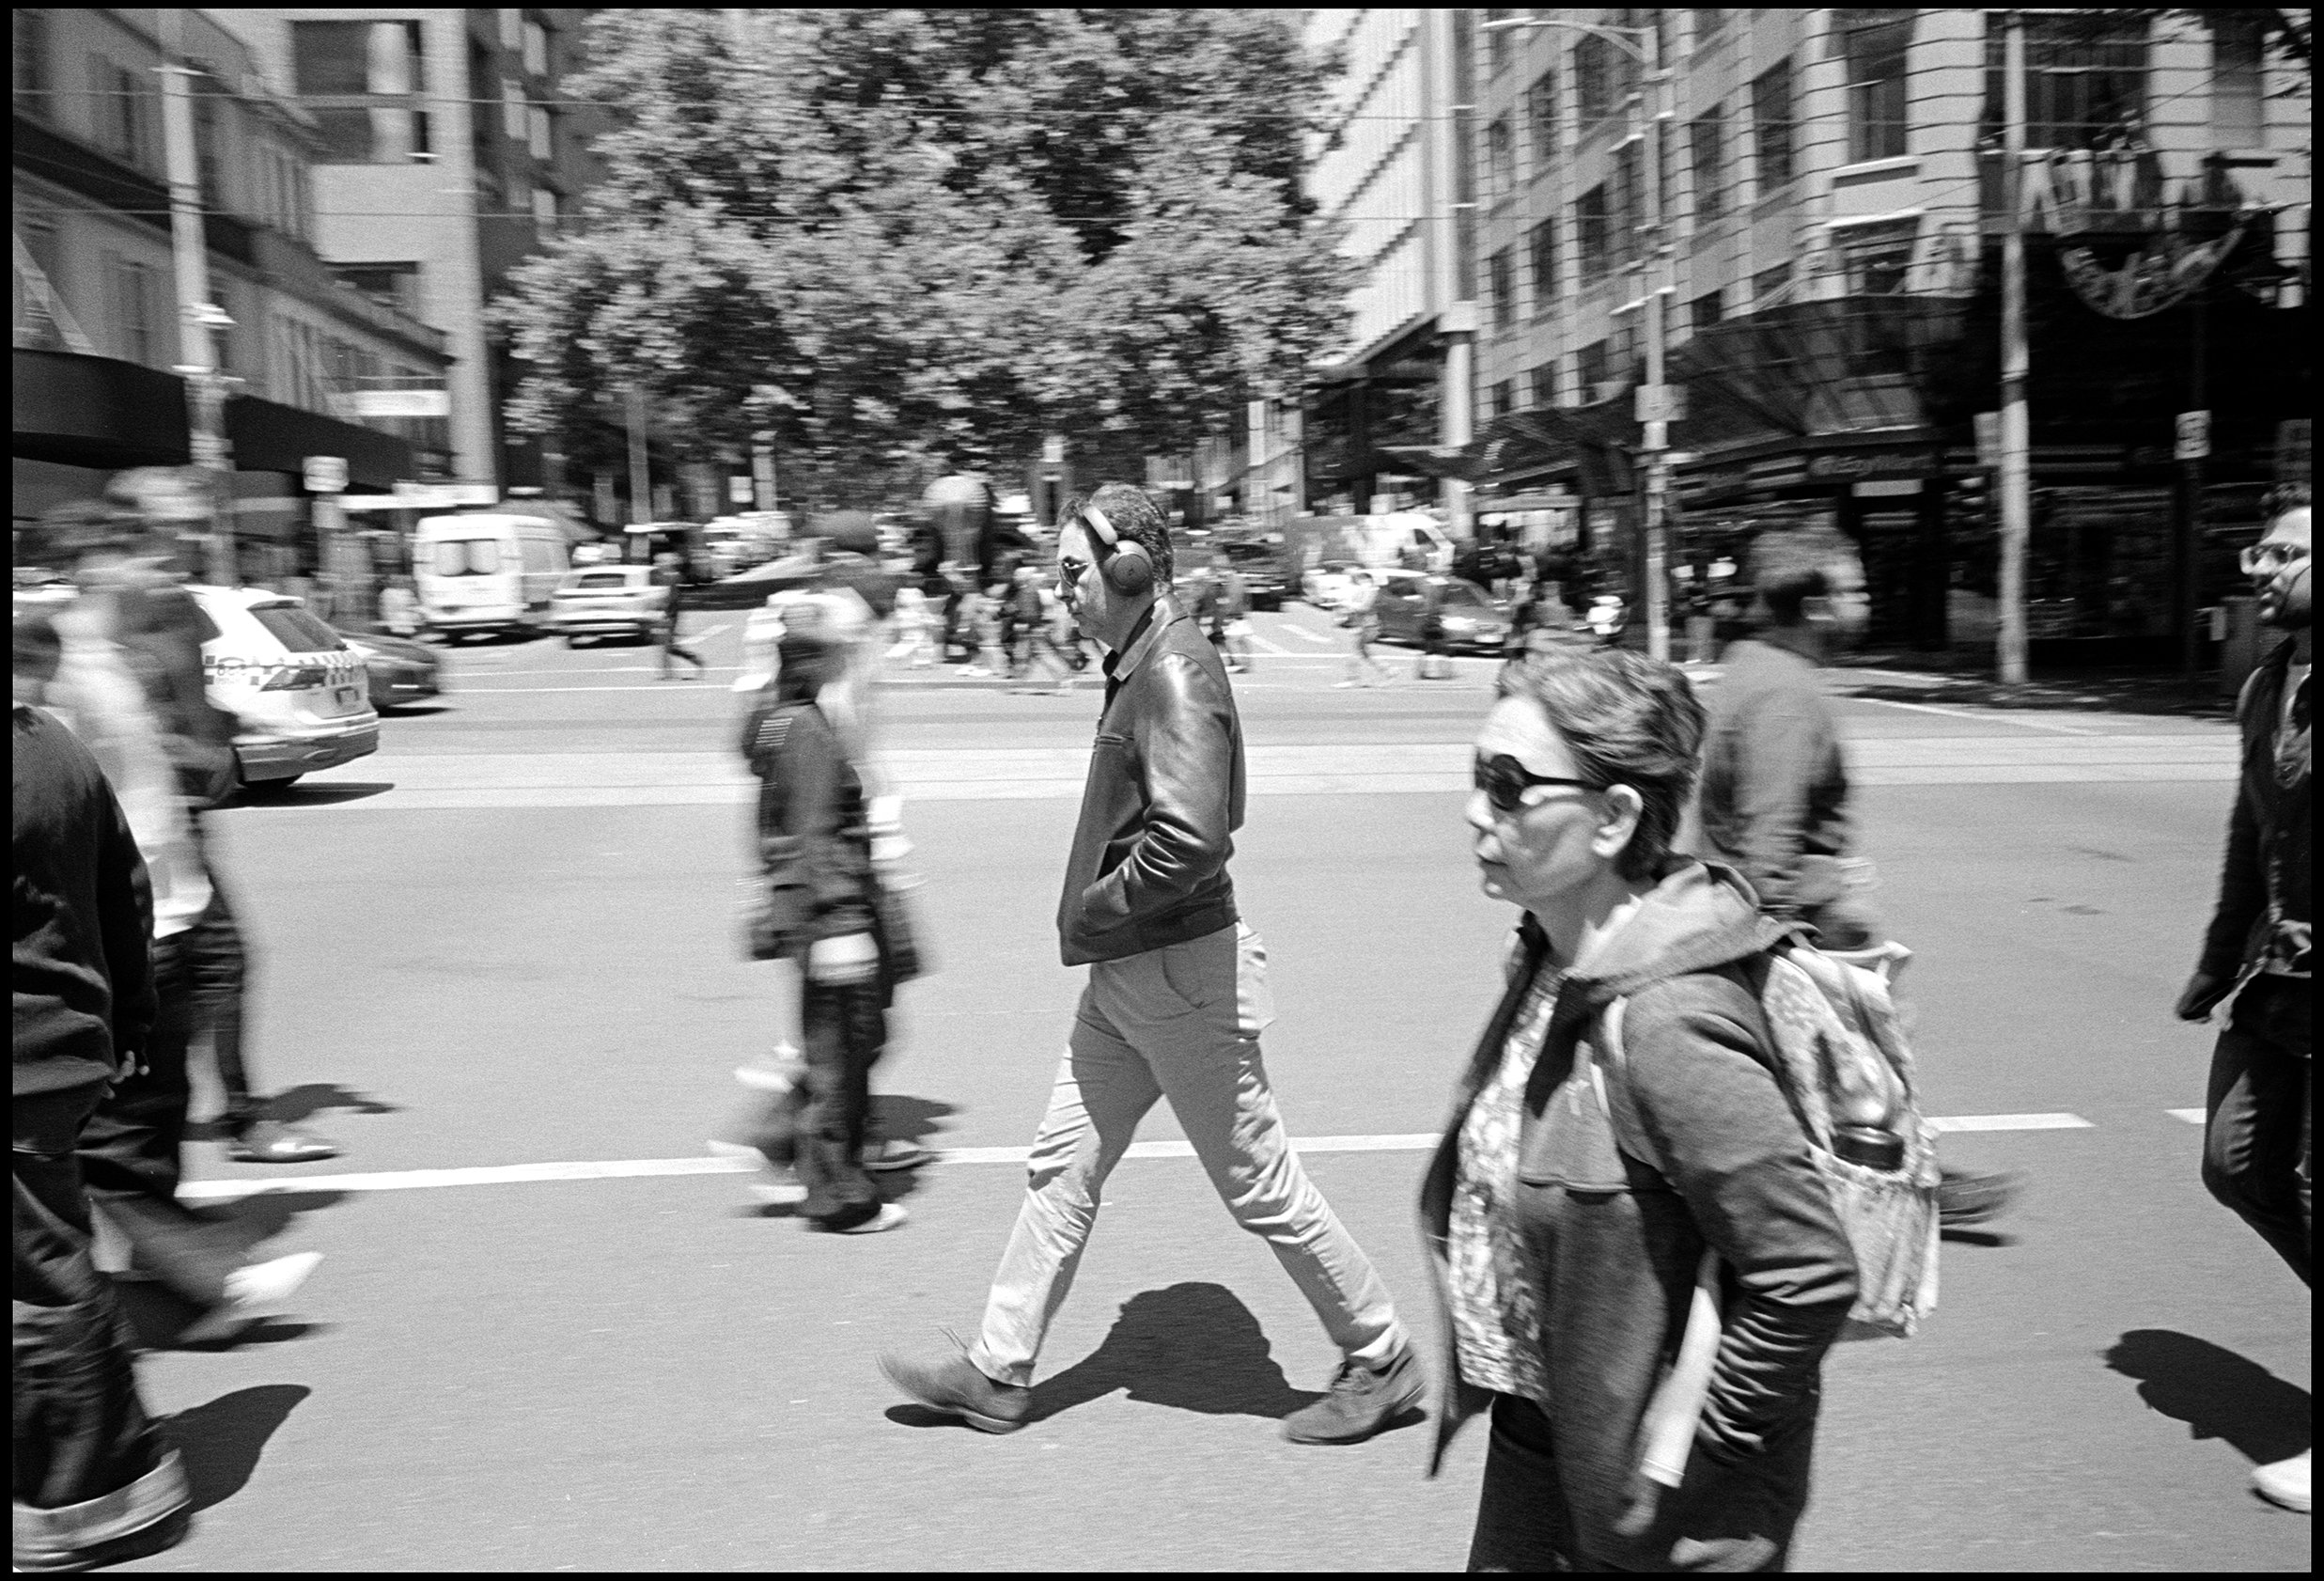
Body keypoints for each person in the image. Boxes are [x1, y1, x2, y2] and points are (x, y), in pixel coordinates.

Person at [881, 483, 1424, 1443]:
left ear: (1132, 567)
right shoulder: (1141, 662)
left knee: (1259, 1182)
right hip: (1133, 974)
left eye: (1075, 570)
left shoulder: (1171, 672)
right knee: (1061, 1165)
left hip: (1176, 971)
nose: (1061, 590)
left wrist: (1090, 910)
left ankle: (1380, 1353)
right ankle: (1001, 1368)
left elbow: (1189, 840)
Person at [1426, 646, 1857, 1571]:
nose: (1476, 808)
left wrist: (1690, 1451)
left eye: (1508, 785)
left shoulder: (1667, 1016)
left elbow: (1805, 1270)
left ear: (1615, 816)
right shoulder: (1551, 959)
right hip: (1543, 1431)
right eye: (1474, 775)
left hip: (1651, 1499)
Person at [17, 507, 326, 1345]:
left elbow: (161, 781)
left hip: (173, 906)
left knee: (150, 1116)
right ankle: (207, 1284)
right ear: (94, 565)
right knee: (114, 1138)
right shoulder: (47, 656)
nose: (162, 569)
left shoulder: (130, 652)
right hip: (122, 928)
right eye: (141, 555)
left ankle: (160, 1286)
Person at [1693, 526, 2019, 1229]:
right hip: (1793, 934)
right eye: (1853, 588)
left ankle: (1897, 1179)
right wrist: (1794, 950)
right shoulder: (1784, 696)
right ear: (1814, 607)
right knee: (1854, 1083)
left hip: (1761, 921)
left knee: (1845, 1083)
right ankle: (1895, 1190)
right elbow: (1768, 845)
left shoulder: (1749, 666)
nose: (1864, 601)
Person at [13, 702, 194, 1573]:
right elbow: (127, 893)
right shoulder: (52, 744)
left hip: (23, 1069)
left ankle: (101, 1491)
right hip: (63, 1056)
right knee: (44, 1264)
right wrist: (130, 1026)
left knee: (39, 1281)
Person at [2176, 486, 2310, 1515]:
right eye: (2258, 552)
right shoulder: (2266, 680)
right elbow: (2243, 833)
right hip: (2275, 982)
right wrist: (2219, 959)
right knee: (2234, 1162)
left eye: (2281, 552)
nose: (2257, 569)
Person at [736, 611, 916, 1234]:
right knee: (842, 1047)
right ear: (812, 663)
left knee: (843, 1044)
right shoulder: (808, 732)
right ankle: (837, 1197)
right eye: (836, 653)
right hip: (828, 911)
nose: (847, 661)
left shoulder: (778, 722)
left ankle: (784, 1142)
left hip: (806, 907)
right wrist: (840, 918)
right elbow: (817, 832)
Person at [1335, 569, 1395, 689]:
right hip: (1364, 624)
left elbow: (1364, 607)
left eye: (1361, 578)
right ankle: (1389, 671)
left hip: (1366, 625)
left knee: (1355, 652)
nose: (1360, 581)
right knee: (1363, 652)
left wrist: (1348, 604)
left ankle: (1352, 680)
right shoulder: (1368, 589)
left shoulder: (1370, 590)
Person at [652, 552, 706, 681]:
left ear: (668, 564)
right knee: (668, 646)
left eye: (660, 562)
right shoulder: (667, 577)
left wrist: (665, 612)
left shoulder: (672, 577)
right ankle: (674, 670)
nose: (658, 565)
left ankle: (691, 662)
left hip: (671, 614)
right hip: (670, 613)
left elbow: (673, 599)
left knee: (667, 645)